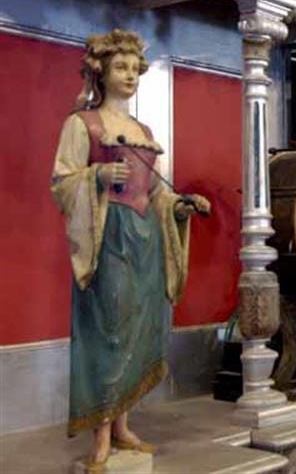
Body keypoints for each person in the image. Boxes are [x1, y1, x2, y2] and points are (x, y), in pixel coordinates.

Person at [50, 29, 210, 471]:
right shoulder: (82, 124)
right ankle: (100, 434)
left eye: (133, 68)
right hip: (110, 233)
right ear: (100, 72)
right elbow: (62, 182)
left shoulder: (143, 131)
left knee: (139, 329)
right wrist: (98, 176)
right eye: (119, 67)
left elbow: (156, 192)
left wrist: (180, 204)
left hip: (146, 236)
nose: (129, 75)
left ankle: (122, 427)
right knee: (110, 331)